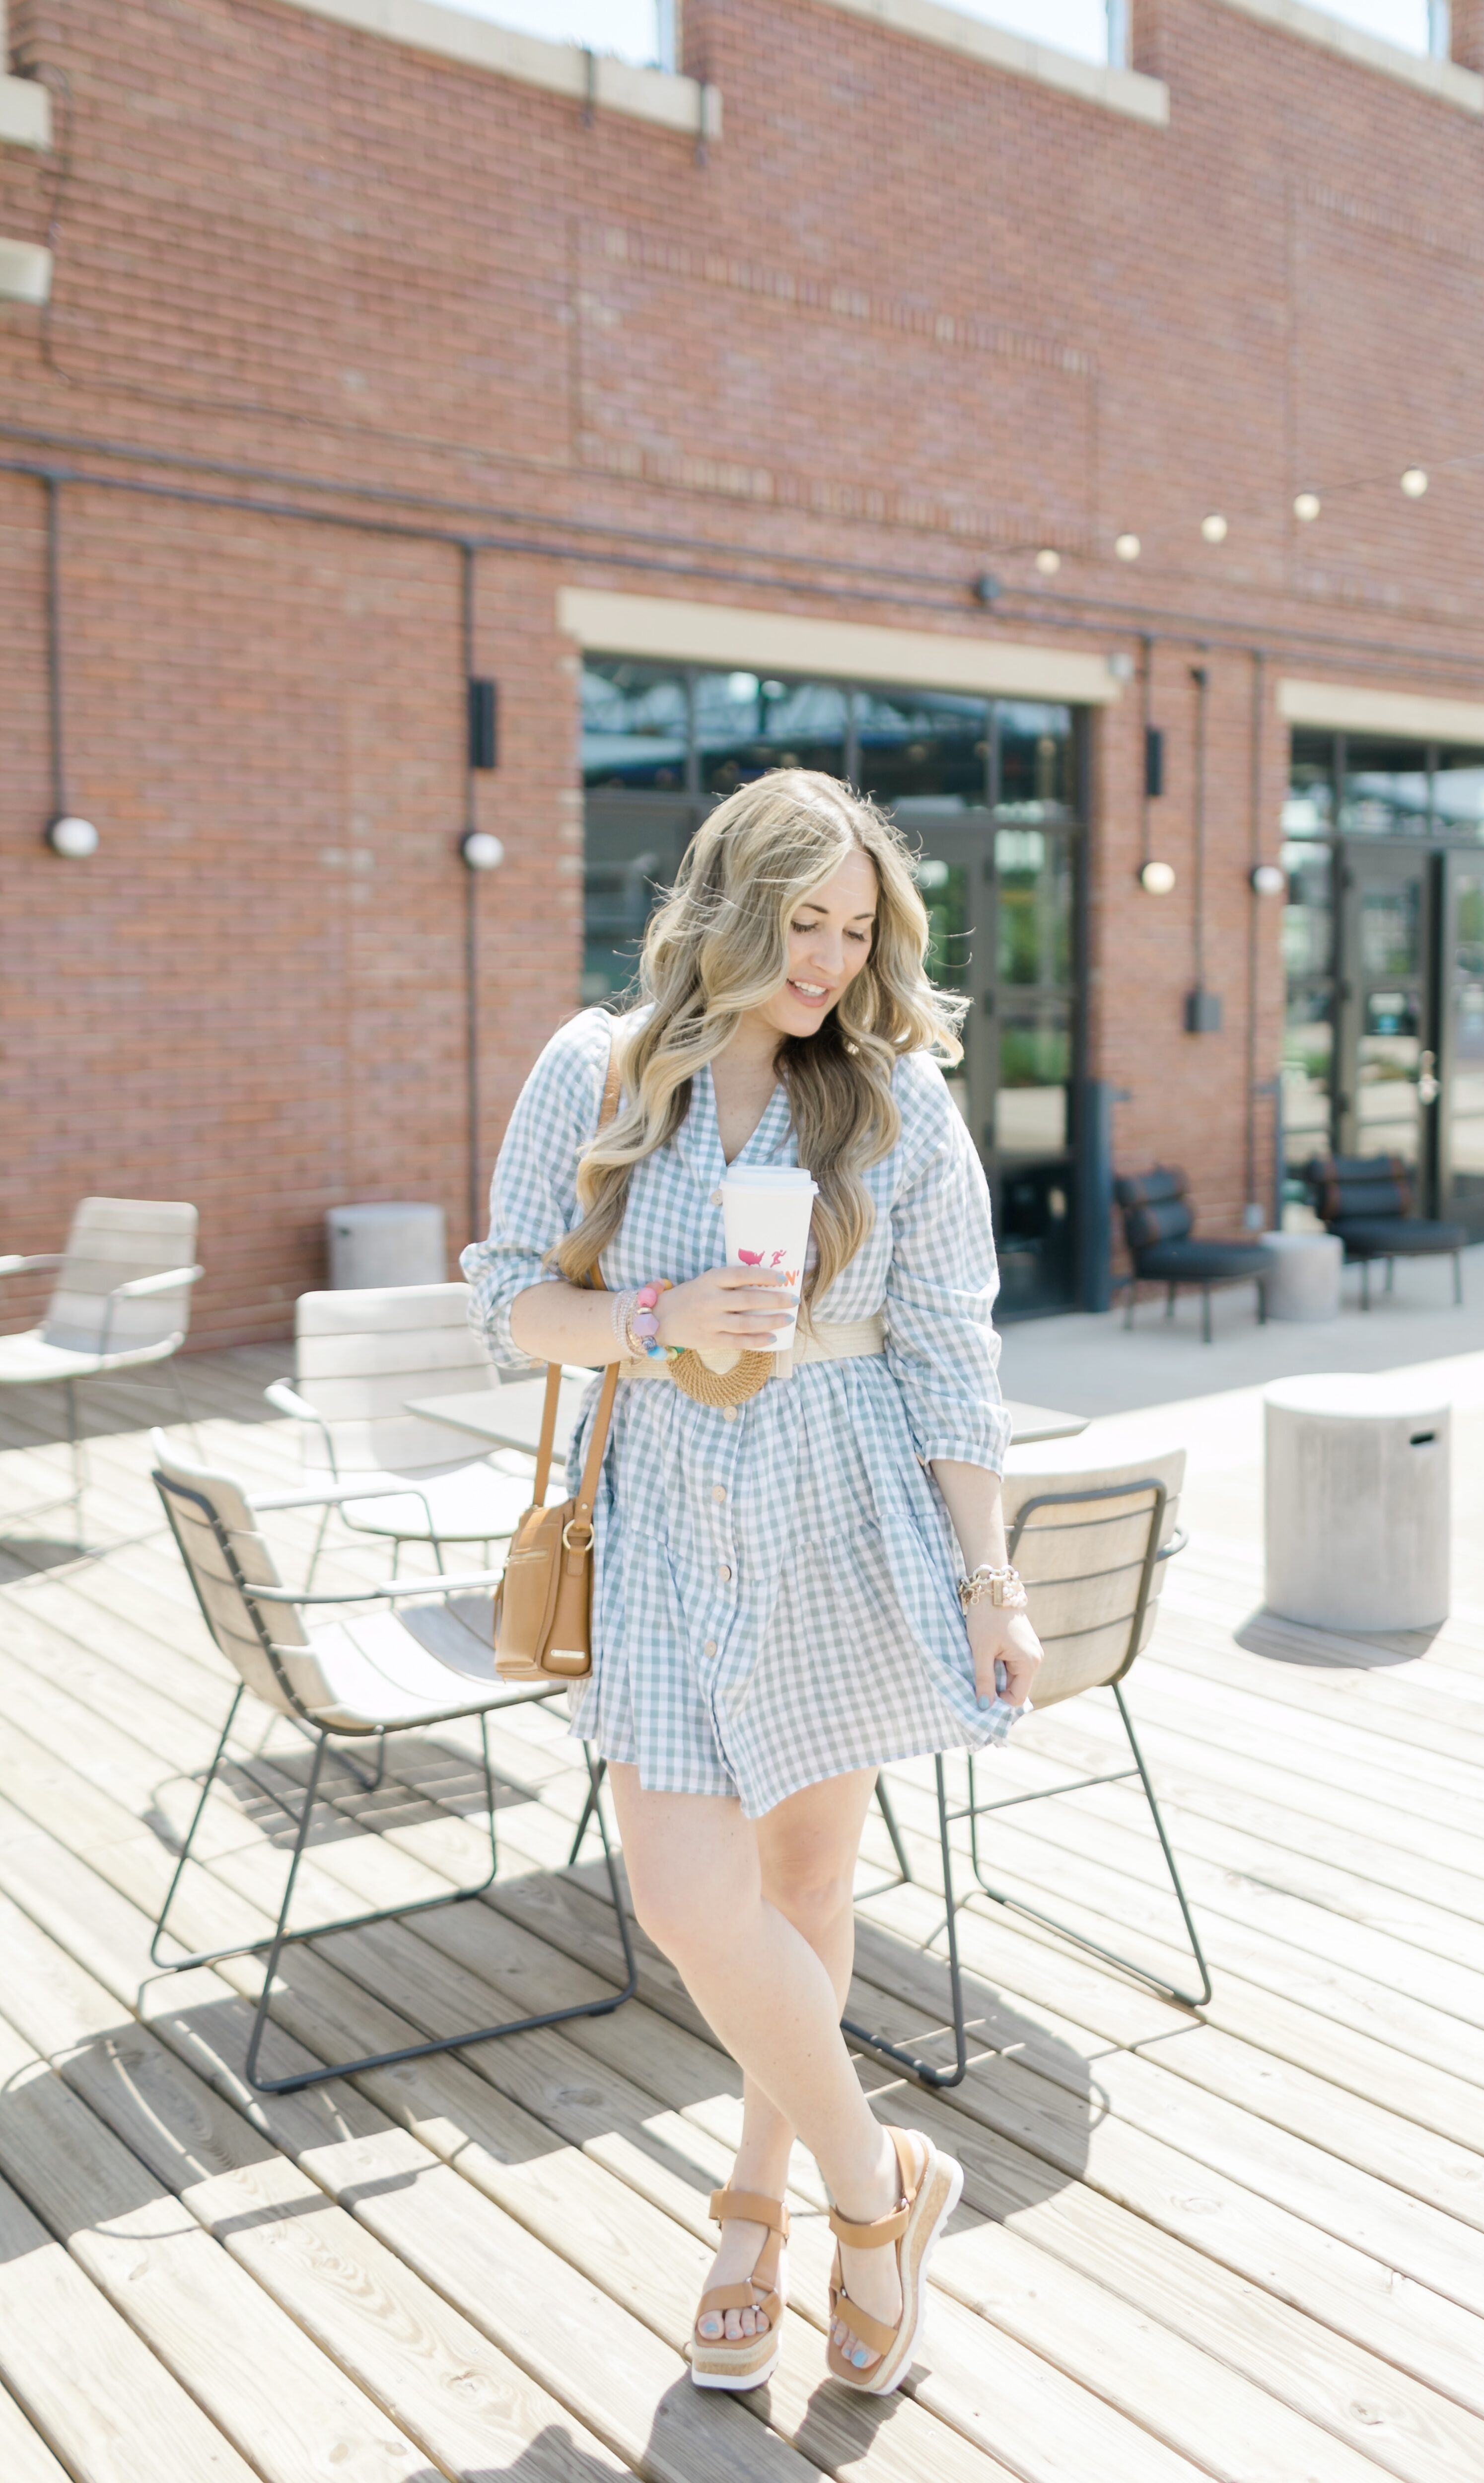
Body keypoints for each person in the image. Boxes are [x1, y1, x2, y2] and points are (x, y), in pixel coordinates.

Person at [463, 769, 1042, 2397]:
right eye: (806, 923)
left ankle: (753, 2212)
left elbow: (951, 1350)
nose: (833, 963)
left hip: (845, 1511)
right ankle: (886, 2194)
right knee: (684, 1893)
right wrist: (658, 1322)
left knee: (802, 1894)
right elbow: (506, 1301)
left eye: (858, 933)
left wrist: (990, 1580)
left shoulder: (894, 1097)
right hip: (660, 1508)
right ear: (730, 903)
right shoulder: (600, 1065)